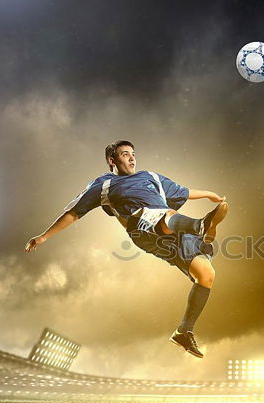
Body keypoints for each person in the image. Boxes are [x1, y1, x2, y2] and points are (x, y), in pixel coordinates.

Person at [25, 140, 228, 358]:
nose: (131, 158)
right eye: (124, 154)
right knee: (163, 214)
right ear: (112, 161)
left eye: (133, 153)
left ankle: (183, 332)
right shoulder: (104, 185)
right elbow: (74, 212)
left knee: (206, 275)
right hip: (142, 227)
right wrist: (44, 236)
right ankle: (200, 226)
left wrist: (208, 194)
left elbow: (184, 192)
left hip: (172, 231)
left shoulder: (151, 177)